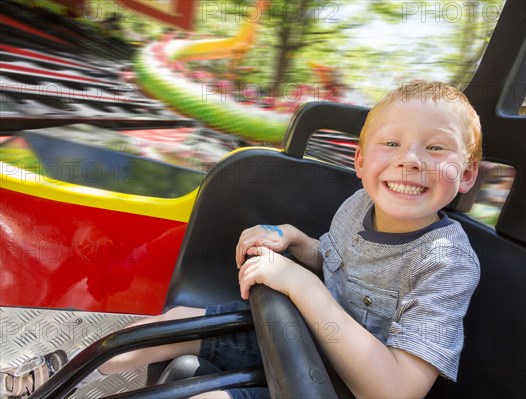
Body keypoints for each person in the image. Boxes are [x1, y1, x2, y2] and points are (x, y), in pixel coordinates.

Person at [1, 81, 482, 399]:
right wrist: (296, 242)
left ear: (466, 175)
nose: (411, 161)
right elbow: (340, 263)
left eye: (436, 148)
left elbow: (396, 389)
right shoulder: (359, 206)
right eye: (392, 144)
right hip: (295, 337)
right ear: (359, 162)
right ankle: (49, 378)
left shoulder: (446, 262)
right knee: (174, 324)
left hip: (331, 387)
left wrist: (300, 285)